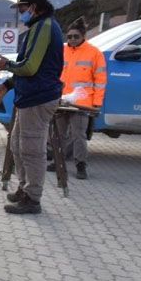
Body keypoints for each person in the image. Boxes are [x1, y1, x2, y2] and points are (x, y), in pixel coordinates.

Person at [0, 0, 64, 214]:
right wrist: (7, 85)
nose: (21, 13)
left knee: (32, 148)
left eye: (23, 9)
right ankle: (25, 188)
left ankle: (33, 198)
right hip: (29, 97)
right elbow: (27, 65)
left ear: (34, 7)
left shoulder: (45, 27)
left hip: (39, 98)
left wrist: (6, 67)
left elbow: (30, 67)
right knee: (17, 145)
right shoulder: (38, 27)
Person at [52, 17, 106, 180]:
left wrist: (97, 103)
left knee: (78, 135)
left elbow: (101, 80)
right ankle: (57, 161)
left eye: (76, 36)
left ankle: (80, 165)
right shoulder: (61, 51)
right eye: (69, 37)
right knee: (58, 134)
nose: (72, 40)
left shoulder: (94, 53)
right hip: (62, 101)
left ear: (83, 36)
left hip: (82, 104)